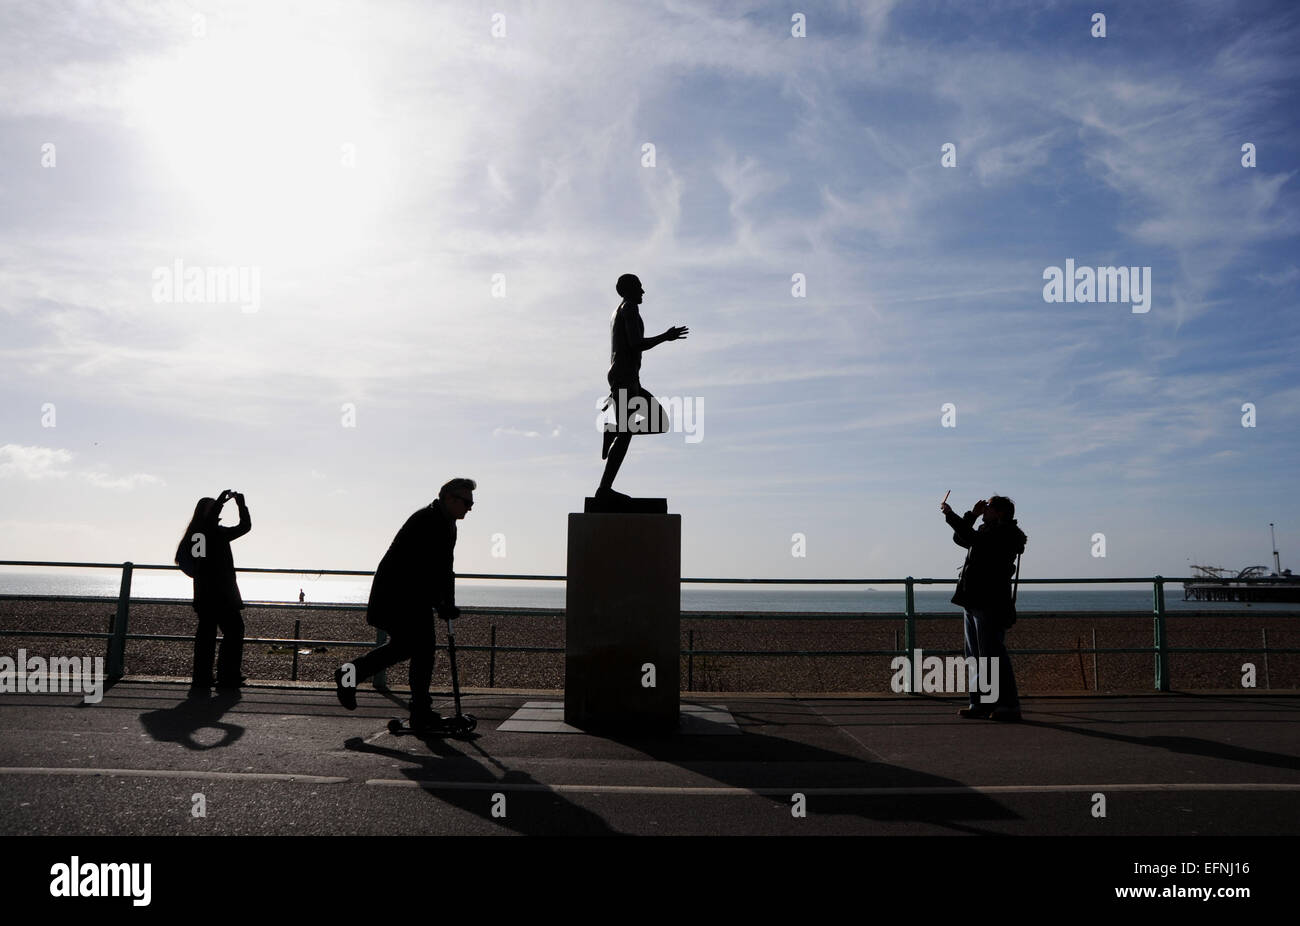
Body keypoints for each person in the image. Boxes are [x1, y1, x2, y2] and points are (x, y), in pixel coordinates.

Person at [335, 478, 475, 730]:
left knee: (408, 648)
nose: (470, 507)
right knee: (422, 648)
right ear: (448, 499)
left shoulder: (447, 524)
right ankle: (419, 710)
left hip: (411, 597)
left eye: (471, 503)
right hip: (396, 596)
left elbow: (445, 570)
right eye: (466, 502)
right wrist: (441, 603)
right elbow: (419, 568)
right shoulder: (426, 521)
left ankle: (351, 674)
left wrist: (448, 603)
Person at [596, 274, 687, 502]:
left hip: (629, 378)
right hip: (624, 378)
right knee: (629, 433)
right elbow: (636, 343)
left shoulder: (622, 310)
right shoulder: (629, 309)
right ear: (629, 290)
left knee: (659, 421)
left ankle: (614, 428)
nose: (643, 292)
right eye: (639, 287)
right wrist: (666, 337)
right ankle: (604, 489)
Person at [940, 495, 1026, 721]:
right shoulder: (988, 531)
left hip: (990, 600)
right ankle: (980, 703)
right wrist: (971, 516)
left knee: (991, 654)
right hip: (974, 599)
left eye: (987, 507)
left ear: (999, 512)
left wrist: (951, 514)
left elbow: (971, 538)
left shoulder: (1005, 534)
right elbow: (961, 538)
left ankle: (1007, 705)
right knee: (976, 655)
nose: (984, 510)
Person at [175, 490, 252, 697]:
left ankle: (204, 677)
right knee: (233, 631)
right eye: (213, 508)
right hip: (220, 594)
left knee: (208, 636)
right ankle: (226, 676)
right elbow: (242, 527)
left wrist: (237, 505)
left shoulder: (201, 534)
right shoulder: (208, 533)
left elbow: (244, 527)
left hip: (206, 594)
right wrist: (231, 504)